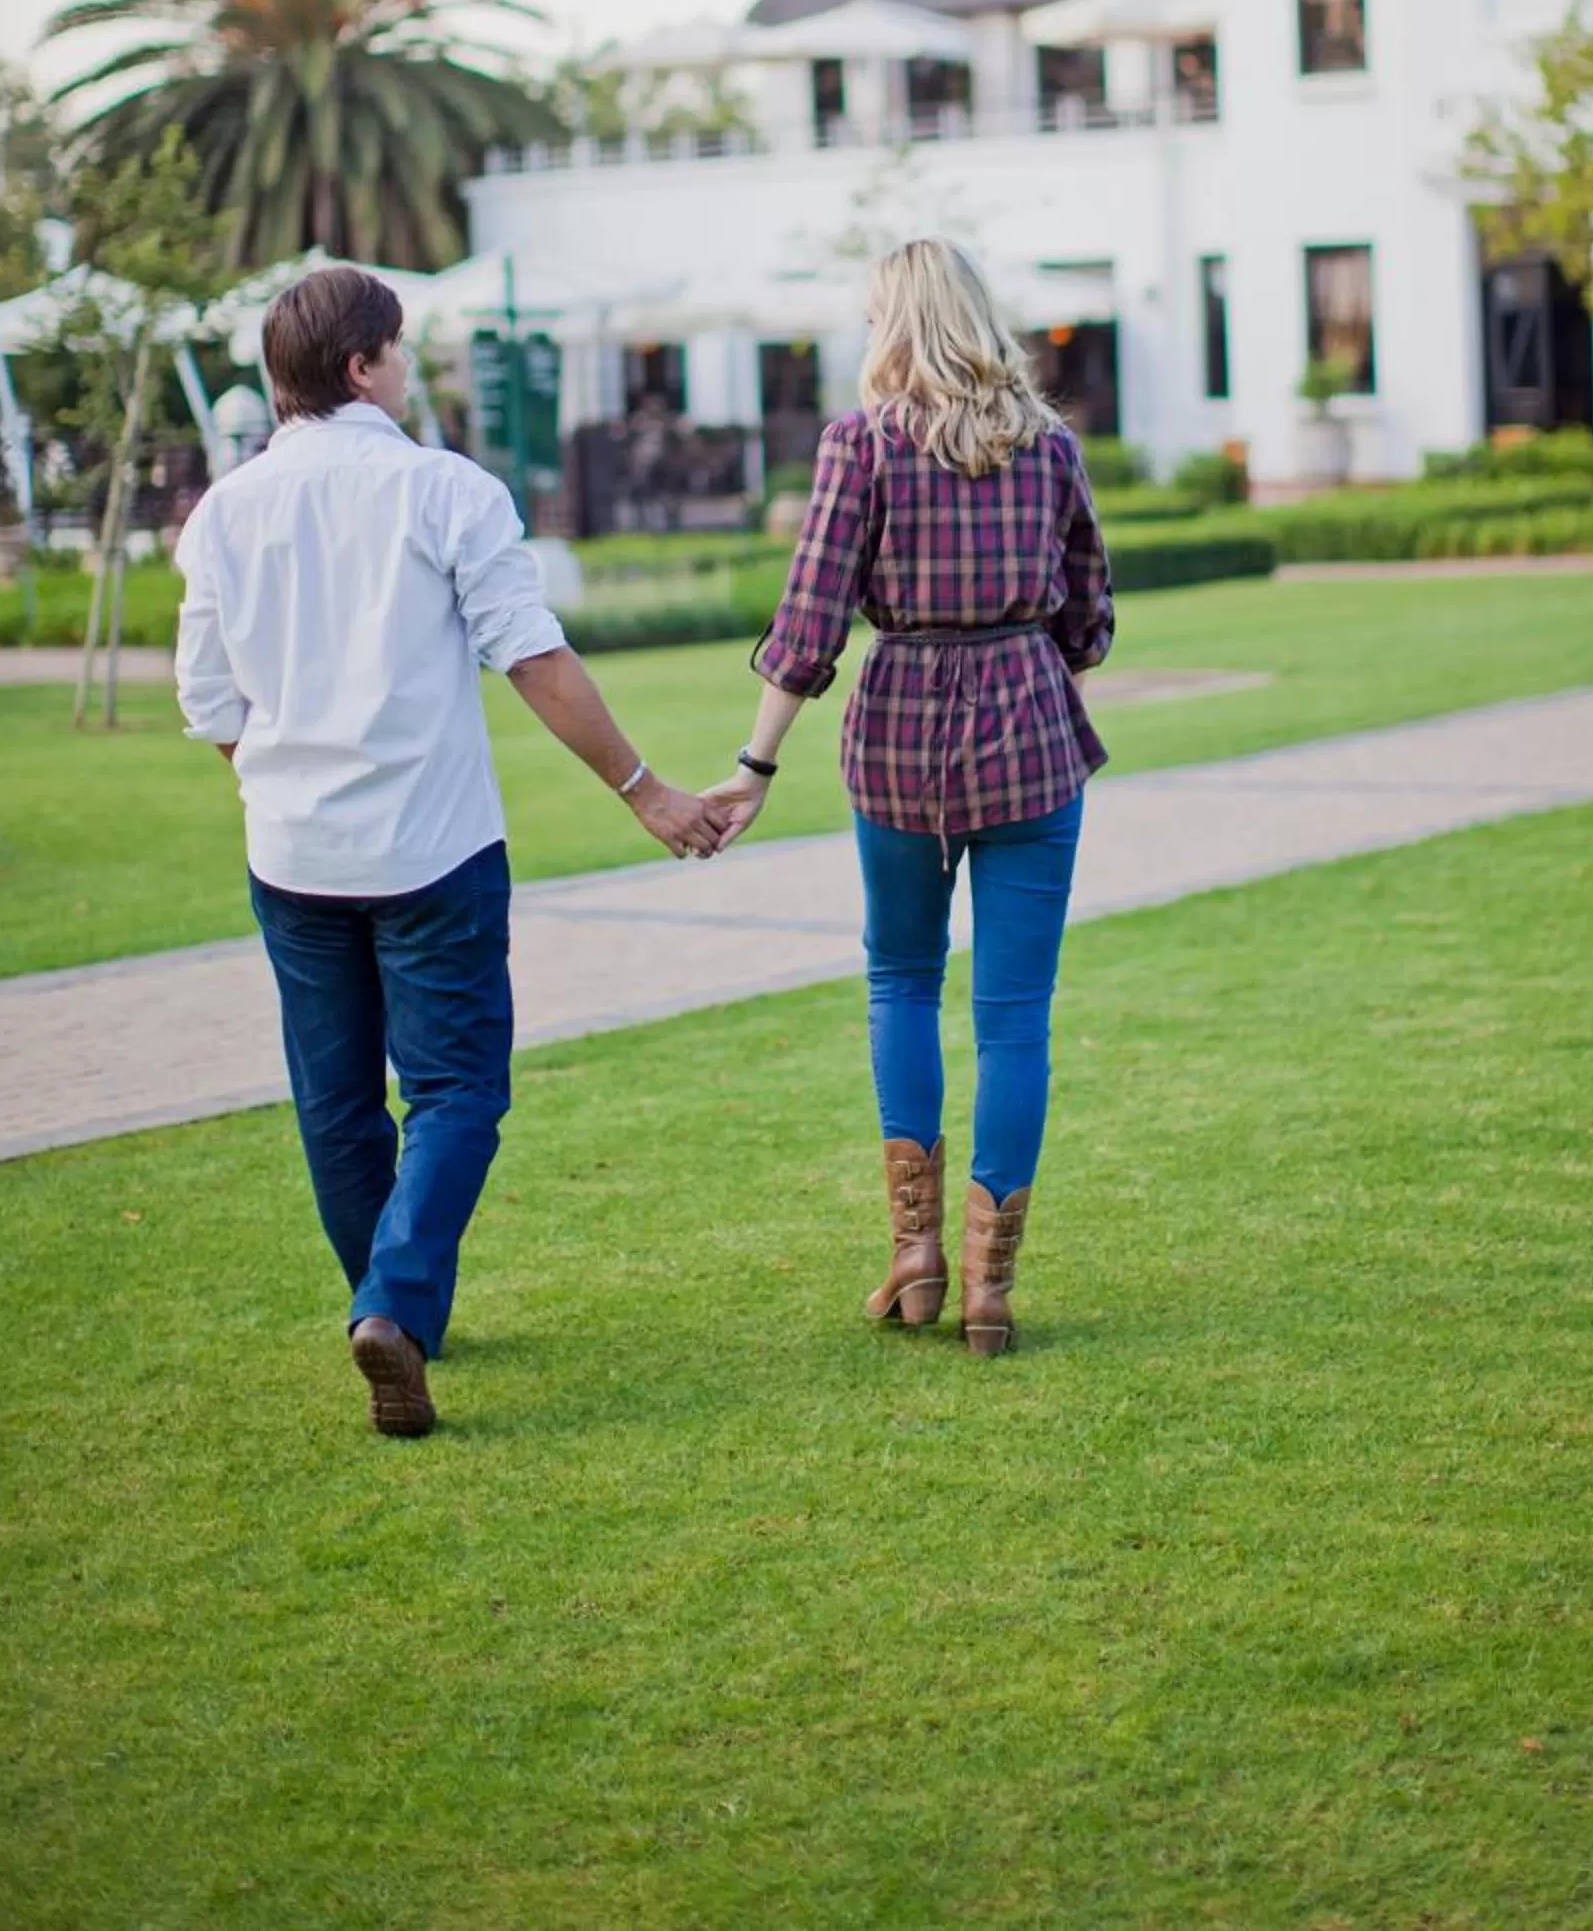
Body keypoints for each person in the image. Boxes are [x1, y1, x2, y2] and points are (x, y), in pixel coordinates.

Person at [174, 264, 730, 1439]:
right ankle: (396, 1302)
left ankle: (391, 1303)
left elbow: (209, 703)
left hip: (294, 855)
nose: (413, 368)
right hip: (433, 848)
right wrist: (644, 791)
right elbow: (530, 657)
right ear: (364, 363)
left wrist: (292, 789)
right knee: (458, 1089)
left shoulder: (222, 513)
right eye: (405, 349)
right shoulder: (447, 491)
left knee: (335, 1104)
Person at [709, 239, 1114, 1355]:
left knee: (900, 980)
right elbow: (1090, 610)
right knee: (1015, 1013)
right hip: (1031, 731)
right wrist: (1037, 677)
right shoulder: (1048, 447)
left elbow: (810, 619)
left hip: (895, 734)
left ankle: (916, 1257)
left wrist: (753, 766)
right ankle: (991, 1283)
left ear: (888, 324)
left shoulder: (861, 446)